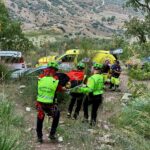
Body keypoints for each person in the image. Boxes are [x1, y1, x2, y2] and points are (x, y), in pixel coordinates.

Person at [36, 61, 60, 143]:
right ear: (55, 70)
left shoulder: (40, 77)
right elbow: (59, 89)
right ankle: (52, 134)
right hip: (50, 104)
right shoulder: (55, 79)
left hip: (40, 103)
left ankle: (39, 137)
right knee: (57, 115)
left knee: (40, 118)